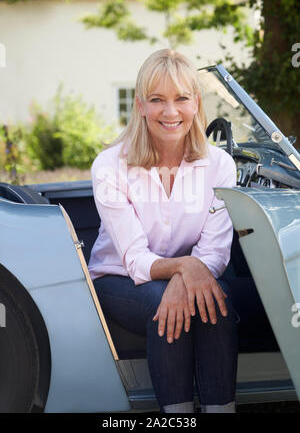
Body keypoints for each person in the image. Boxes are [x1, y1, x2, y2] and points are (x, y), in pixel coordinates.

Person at [88, 49, 238, 414]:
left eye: (181, 99)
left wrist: (185, 273)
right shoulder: (110, 166)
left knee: (213, 300)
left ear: (196, 103)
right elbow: (136, 260)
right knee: (163, 304)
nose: (170, 112)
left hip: (187, 271)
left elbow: (215, 252)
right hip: (118, 278)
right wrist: (185, 269)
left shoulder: (220, 165)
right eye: (157, 100)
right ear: (140, 105)